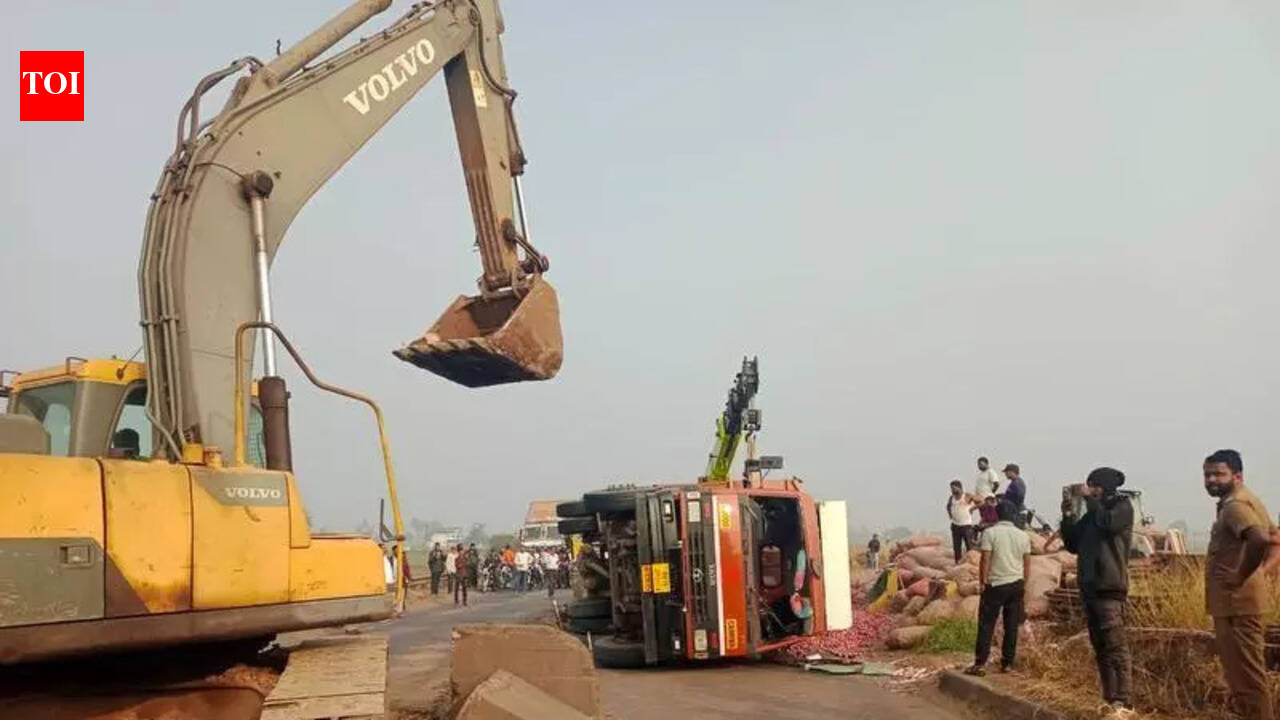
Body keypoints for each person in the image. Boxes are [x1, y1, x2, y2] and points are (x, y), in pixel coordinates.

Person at [1202, 449, 1276, 720]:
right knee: (1244, 679)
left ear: (1237, 475)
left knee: (1247, 680)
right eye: (1207, 474)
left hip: (1237, 607)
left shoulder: (1235, 506)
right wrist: (1260, 573)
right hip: (1236, 604)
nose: (1211, 480)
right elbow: (1275, 540)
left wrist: (1240, 576)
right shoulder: (1247, 500)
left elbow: (1259, 540)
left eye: (1218, 474)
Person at [1060, 467, 1134, 716]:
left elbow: (1108, 523)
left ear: (1102, 488)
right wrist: (1068, 513)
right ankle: (1109, 697)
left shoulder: (1121, 508)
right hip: (1090, 586)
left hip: (1109, 586)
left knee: (1115, 645)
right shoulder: (1092, 514)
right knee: (1100, 646)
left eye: (1093, 487)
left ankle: (1124, 700)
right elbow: (1072, 543)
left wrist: (1089, 500)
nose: (1088, 491)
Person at [967, 500, 1031, 676]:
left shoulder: (990, 533)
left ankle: (980, 664)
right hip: (1016, 584)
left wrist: (982, 582)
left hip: (995, 584)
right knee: (1011, 625)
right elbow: (1027, 563)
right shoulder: (1023, 536)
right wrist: (1024, 583)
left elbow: (985, 559)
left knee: (987, 624)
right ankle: (1007, 663)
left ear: (996, 515)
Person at [946, 480, 977, 564]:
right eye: (951, 488)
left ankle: (971, 563)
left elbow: (981, 501)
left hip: (966, 525)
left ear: (959, 488)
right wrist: (950, 515)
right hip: (955, 525)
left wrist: (972, 508)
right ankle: (958, 563)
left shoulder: (967, 496)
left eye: (954, 488)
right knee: (957, 547)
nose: (952, 490)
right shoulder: (951, 498)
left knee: (969, 546)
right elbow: (948, 506)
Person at [1001, 463, 1028, 528]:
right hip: (1015, 512)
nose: (1005, 474)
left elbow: (1020, 496)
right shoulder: (1014, 482)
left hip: (1017, 513)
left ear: (1012, 472)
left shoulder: (1017, 483)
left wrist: (1012, 507)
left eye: (1006, 472)